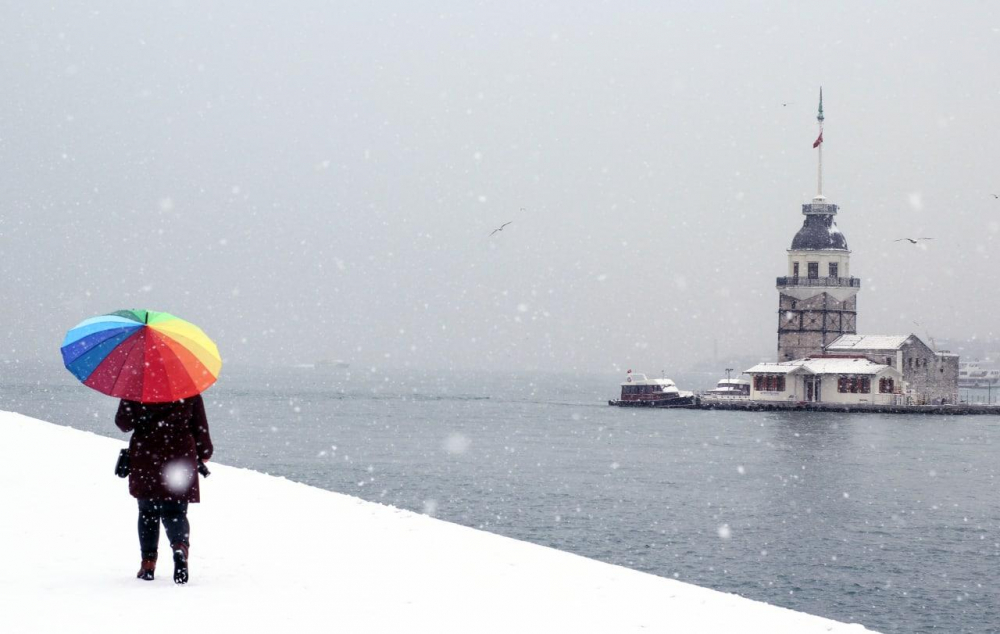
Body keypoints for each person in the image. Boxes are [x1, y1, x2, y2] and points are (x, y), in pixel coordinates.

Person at [115, 394, 213, 584]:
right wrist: (205, 452)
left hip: (146, 455)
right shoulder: (187, 388)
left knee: (147, 512)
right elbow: (200, 426)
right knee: (176, 512)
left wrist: (132, 404)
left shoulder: (137, 389)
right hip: (179, 455)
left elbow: (123, 424)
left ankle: (148, 564)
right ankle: (179, 547)